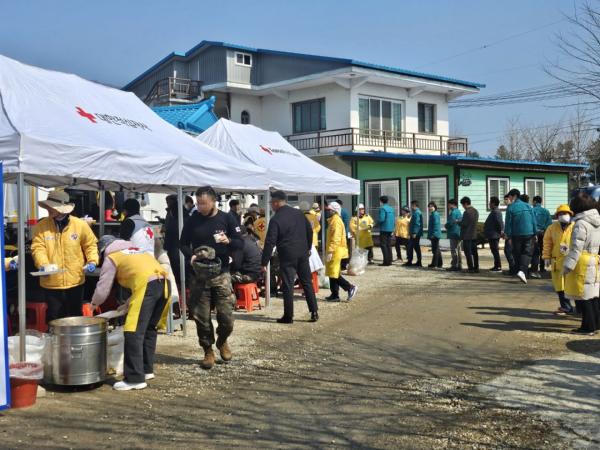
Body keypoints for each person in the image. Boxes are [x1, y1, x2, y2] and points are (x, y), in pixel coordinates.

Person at [90, 235, 170, 391]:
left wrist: (94, 304)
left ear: (104, 250)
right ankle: (146, 370)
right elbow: (143, 277)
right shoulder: (137, 251)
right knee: (148, 329)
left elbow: (103, 287)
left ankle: (134, 379)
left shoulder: (112, 256)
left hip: (148, 287)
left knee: (132, 331)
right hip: (164, 284)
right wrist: (127, 304)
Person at [180, 186, 242, 369]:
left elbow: (240, 242)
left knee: (226, 317)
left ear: (213, 201)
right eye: (198, 203)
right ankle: (208, 350)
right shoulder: (193, 220)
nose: (200, 207)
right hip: (199, 276)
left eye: (203, 203)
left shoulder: (227, 218)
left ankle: (222, 340)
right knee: (202, 318)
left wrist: (229, 241)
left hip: (221, 273)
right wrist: (190, 255)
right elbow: (182, 243)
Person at [31, 190, 99, 322]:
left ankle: (74, 342)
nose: (49, 209)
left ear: (62, 209)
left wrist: (92, 261)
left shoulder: (80, 225)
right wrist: (43, 265)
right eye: (48, 206)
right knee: (54, 318)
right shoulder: (41, 226)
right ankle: (56, 343)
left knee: (75, 317)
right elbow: (38, 248)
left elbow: (90, 245)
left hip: (75, 281)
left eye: (52, 207)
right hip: (51, 283)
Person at [260, 190, 318, 323]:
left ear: (276, 203)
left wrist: (264, 262)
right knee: (307, 282)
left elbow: (270, 242)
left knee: (288, 285)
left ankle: (288, 316)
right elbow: (309, 231)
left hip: (287, 254)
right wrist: (308, 248)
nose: (271, 206)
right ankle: (314, 312)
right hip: (302, 252)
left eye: (271, 203)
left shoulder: (276, 219)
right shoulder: (298, 213)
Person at [563, 193, 600, 334]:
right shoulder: (597, 221)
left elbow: (576, 248)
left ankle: (587, 327)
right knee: (594, 295)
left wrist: (567, 266)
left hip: (582, 261)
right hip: (594, 259)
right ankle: (596, 324)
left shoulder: (580, 224)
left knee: (583, 296)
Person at [542, 205, 575, 315]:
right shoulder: (551, 228)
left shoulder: (575, 227)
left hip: (572, 261)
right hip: (557, 261)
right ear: (557, 216)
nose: (563, 216)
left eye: (565, 213)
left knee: (574, 286)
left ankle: (580, 308)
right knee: (560, 287)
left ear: (570, 214)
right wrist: (546, 257)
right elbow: (547, 243)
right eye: (560, 214)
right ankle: (566, 307)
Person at [324, 202, 358, 302]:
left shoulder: (336, 221)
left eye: (329, 210)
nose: (327, 211)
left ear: (333, 211)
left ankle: (350, 287)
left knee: (333, 273)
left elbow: (336, 238)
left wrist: (330, 251)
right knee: (331, 273)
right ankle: (335, 295)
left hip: (336, 250)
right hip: (335, 249)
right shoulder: (333, 220)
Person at [505, 188, 537, 284]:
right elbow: (533, 221)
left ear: (514, 196)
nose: (509, 198)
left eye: (510, 196)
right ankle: (523, 271)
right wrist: (535, 233)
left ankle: (521, 271)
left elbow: (508, 224)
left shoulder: (511, 208)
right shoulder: (528, 206)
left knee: (517, 253)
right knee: (527, 253)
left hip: (516, 234)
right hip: (529, 233)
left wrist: (508, 236)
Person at [530, 196, 553, 279]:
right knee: (543, 250)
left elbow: (531, 222)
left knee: (534, 251)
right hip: (544, 233)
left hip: (534, 233)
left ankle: (534, 268)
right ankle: (542, 268)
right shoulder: (546, 211)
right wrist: (544, 230)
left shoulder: (532, 210)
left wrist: (536, 230)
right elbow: (549, 223)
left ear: (535, 202)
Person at [163, 194, 181, 281]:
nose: (167, 203)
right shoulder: (171, 210)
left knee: (175, 261)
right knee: (173, 260)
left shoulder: (175, 210)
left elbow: (173, 224)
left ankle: (177, 279)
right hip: (172, 239)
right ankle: (177, 279)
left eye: (168, 202)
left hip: (174, 240)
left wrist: (167, 228)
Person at [484, 196, 504, 272]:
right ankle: (496, 265)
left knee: (495, 251)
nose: (489, 204)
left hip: (494, 235)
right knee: (494, 251)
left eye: (490, 203)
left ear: (493, 203)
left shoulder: (496, 212)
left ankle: (498, 266)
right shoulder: (494, 211)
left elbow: (499, 222)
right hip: (492, 234)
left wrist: (501, 231)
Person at [460, 197, 479, 273]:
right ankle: (476, 267)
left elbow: (464, 224)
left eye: (462, 205)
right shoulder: (475, 211)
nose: (463, 207)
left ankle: (470, 268)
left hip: (467, 235)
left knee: (468, 252)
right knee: (474, 252)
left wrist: (458, 222)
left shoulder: (466, 212)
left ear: (465, 204)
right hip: (474, 234)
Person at [445, 199, 463, 272]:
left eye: (449, 204)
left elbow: (450, 223)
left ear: (452, 204)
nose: (448, 206)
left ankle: (454, 265)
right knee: (459, 250)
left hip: (453, 233)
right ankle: (459, 264)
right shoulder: (459, 212)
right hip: (459, 233)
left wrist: (446, 226)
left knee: (454, 250)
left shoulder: (453, 212)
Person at [404, 200, 423, 267]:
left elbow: (417, 223)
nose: (411, 207)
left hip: (415, 233)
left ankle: (412, 261)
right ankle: (417, 261)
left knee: (412, 247)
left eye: (412, 205)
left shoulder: (417, 213)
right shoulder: (416, 212)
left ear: (414, 205)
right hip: (415, 233)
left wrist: (414, 232)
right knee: (415, 247)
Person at [377, 196, 395, 266]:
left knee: (383, 245)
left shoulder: (382, 208)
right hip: (390, 228)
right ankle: (390, 260)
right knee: (388, 245)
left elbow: (381, 219)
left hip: (384, 229)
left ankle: (386, 262)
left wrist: (376, 223)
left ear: (381, 201)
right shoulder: (391, 208)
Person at [502, 194, 517, 275]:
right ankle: (513, 268)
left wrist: (507, 234)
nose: (505, 201)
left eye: (507, 199)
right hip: (510, 234)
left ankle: (513, 269)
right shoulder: (509, 208)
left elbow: (509, 223)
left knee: (508, 251)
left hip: (511, 235)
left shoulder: (511, 208)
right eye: (504, 199)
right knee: (510, 252)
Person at [427, 202, 443, 269]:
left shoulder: (435, 215)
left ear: (435, 207)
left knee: (435, 250)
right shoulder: (433, 214)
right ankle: (439, 263)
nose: (430, 208)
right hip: (433, 234)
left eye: (431, 206)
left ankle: (435, 264)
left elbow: (436, 225)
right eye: (429, 207)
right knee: (436, 250)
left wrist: (433, 234)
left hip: (435, 235)